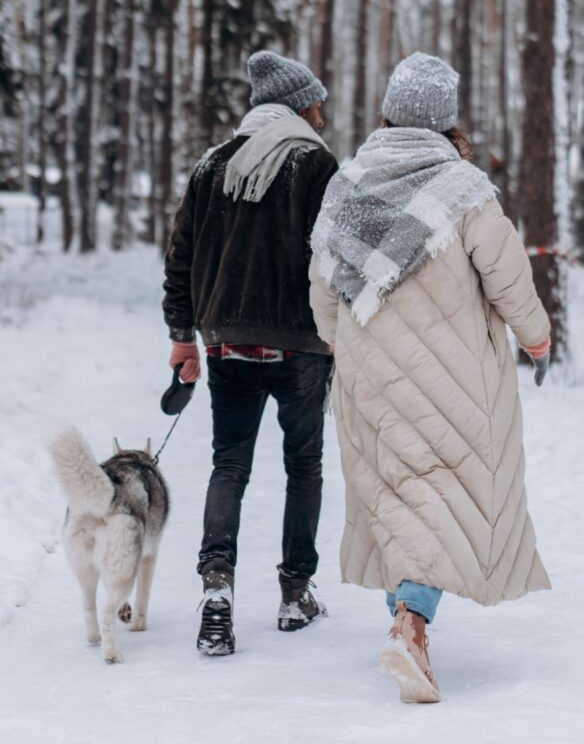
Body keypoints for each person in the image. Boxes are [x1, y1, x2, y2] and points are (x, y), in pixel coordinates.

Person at [309, 52, 551, 703]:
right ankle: (410, 623)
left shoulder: (347, 187)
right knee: (437, 496)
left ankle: (405, 617)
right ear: (447, 120)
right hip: (452, 378)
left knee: (394, 494)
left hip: (366, 377)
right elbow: (505, 276)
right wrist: (535, 333)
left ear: (388, 110)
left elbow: (323, 291)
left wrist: (343, 340)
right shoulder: (463, 189)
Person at [163, 50, 338, 656]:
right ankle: (295, 593)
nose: (322, 111)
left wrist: (183, 336)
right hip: (300, 345)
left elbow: (181, 256)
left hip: (227, 342)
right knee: (303, 466)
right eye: (317, 101)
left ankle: (217, 587)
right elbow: (334, 258)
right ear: (300, 104)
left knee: (229, 465)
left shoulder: (212, 165)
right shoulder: (314, 163)